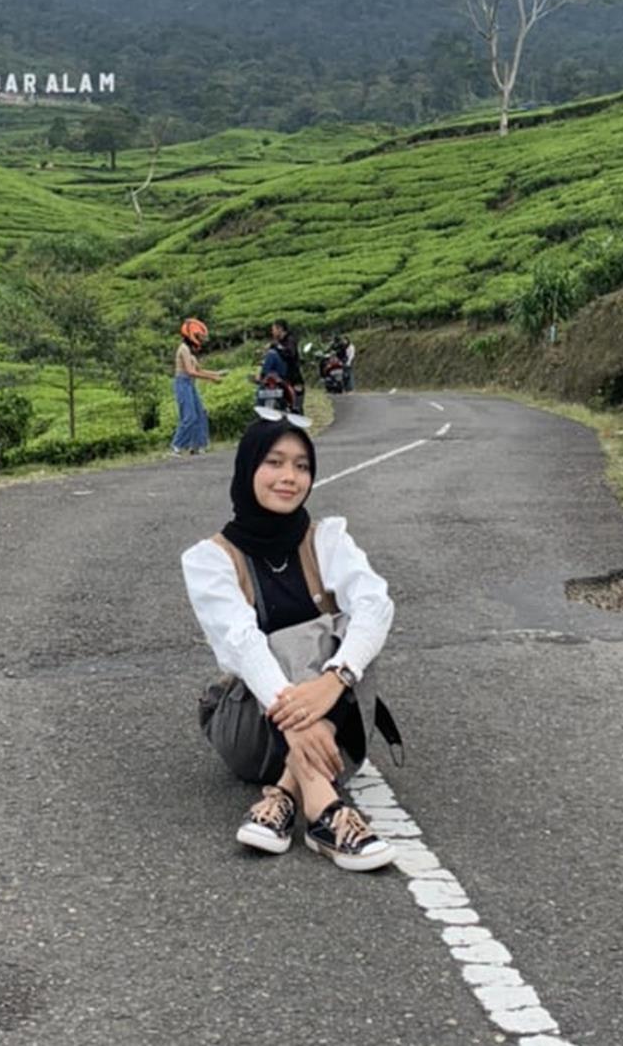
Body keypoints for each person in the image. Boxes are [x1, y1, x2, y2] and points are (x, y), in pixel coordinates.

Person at [181, 415, 398, 871]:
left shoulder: (327, 539)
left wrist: (335, 680)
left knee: (359, 627)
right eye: (274, 462)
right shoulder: (210, 560)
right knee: (283, 638)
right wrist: (301, 719)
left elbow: (377, 605)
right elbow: (242, 644)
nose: (289, 477)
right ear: (247, 470)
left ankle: (283, 795)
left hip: (334, 734)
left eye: (301, 466)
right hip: (251, 731)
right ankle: (322, 807)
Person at [171, 318, 224, 455]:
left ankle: (198, 446)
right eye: (199, 336)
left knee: (201, 414)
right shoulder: (183, 349)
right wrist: (212, 378)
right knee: (189, 417)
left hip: (189, 384)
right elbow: (190, 371)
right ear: (191, 335)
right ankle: (176, 446)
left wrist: (217, 373)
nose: (201, 339)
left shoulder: (189, 352)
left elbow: (198, 370)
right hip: (183, 383)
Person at [269, 319, 306, 413]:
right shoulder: (277, 343)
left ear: (280, 329)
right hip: (281, 379)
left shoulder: (290, 340)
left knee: (296, 407)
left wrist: (277, 346)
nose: (272, 332)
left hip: (293, 378)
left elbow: (290, 354)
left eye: (273, 329)